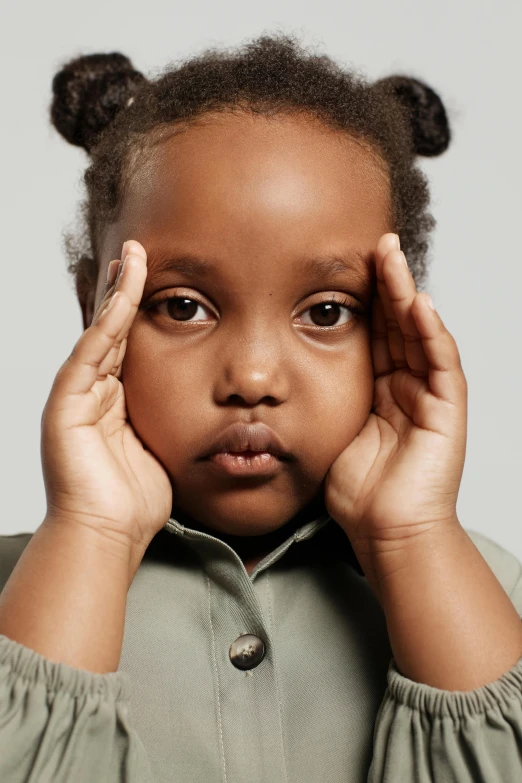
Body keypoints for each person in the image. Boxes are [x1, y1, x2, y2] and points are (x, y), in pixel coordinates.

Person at [0, 32, 521, 783]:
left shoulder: (487, 595)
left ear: (397, 324)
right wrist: (90, 530)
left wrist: (413, 536)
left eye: (327, 311)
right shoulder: (20, 597)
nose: (251, 374)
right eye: (183, 306)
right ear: (97, 306)